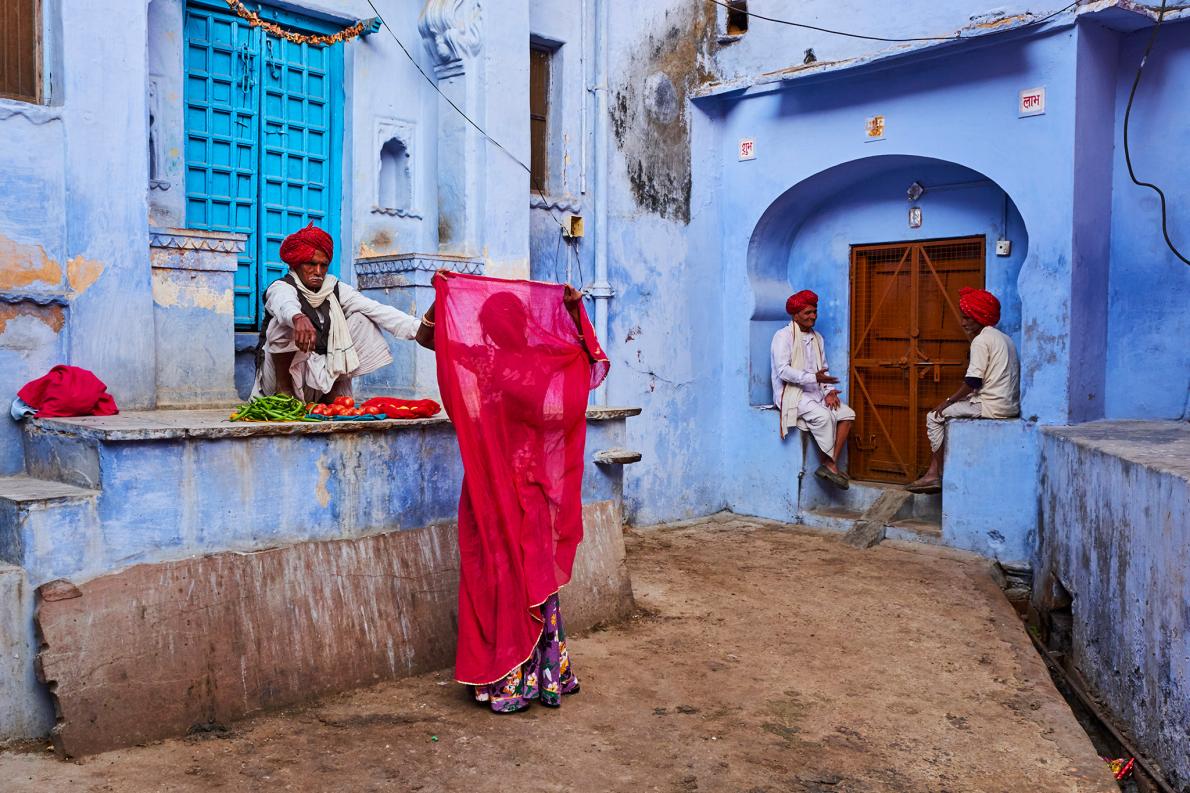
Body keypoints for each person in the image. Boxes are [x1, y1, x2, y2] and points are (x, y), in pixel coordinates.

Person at [416, 272, 608, 713]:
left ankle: (506, 682)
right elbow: (588, 356)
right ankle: (546, 676)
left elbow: (430, 340)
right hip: (533, 483)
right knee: (532, 578)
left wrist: (440, 297)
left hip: (490, 481)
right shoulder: (543, 359)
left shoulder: (483, 360)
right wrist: (574, 310)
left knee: (497, 574)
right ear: (525, 326)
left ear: (485, 328)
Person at [252, 223, 420, 402]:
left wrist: (420, 328)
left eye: (323, 266)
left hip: (319, 379)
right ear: (297, 264)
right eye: (311, 264)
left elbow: (375, 309)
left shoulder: (335, 289)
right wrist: (298, 317)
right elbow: (284, 303)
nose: (318, 272)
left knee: (362, 319)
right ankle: (284, 391)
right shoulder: (281, 287)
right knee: (282, 322)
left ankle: (332, 395)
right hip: (281, 380)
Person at [907, 287, 1020, 494]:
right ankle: (935, 471)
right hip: (1008, 405)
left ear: (979, 316)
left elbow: (973, 381)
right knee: (947, 414)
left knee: (934, 416)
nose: (963, 322)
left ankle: (934, 474)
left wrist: (948, 401)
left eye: (967, 317)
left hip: (991, 407)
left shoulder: (981, 340)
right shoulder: (1005, 339)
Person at [771, 289, 856, 490]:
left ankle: (828, 463)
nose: (813, 316)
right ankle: (831, 465)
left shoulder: (817, 338)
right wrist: (812, 378)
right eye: (808, 313)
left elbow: (822, 371)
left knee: (847, 414)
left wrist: (829, 391)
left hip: (814, 392)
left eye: (814, 311)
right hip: (790, 394)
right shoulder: (783, 336)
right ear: (795, 314)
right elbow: (783, 371)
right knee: (823, 417)